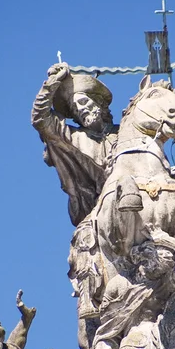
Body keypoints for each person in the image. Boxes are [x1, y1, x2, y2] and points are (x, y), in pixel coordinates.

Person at [31, 62, 119, 227]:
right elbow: (40, 119)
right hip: (97, 207)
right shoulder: (73, 138)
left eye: (84, 101)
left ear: (99, 103)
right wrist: (53, 82)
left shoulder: (124, 133)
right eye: (74, 107)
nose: (80, 108)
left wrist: (171, 174)